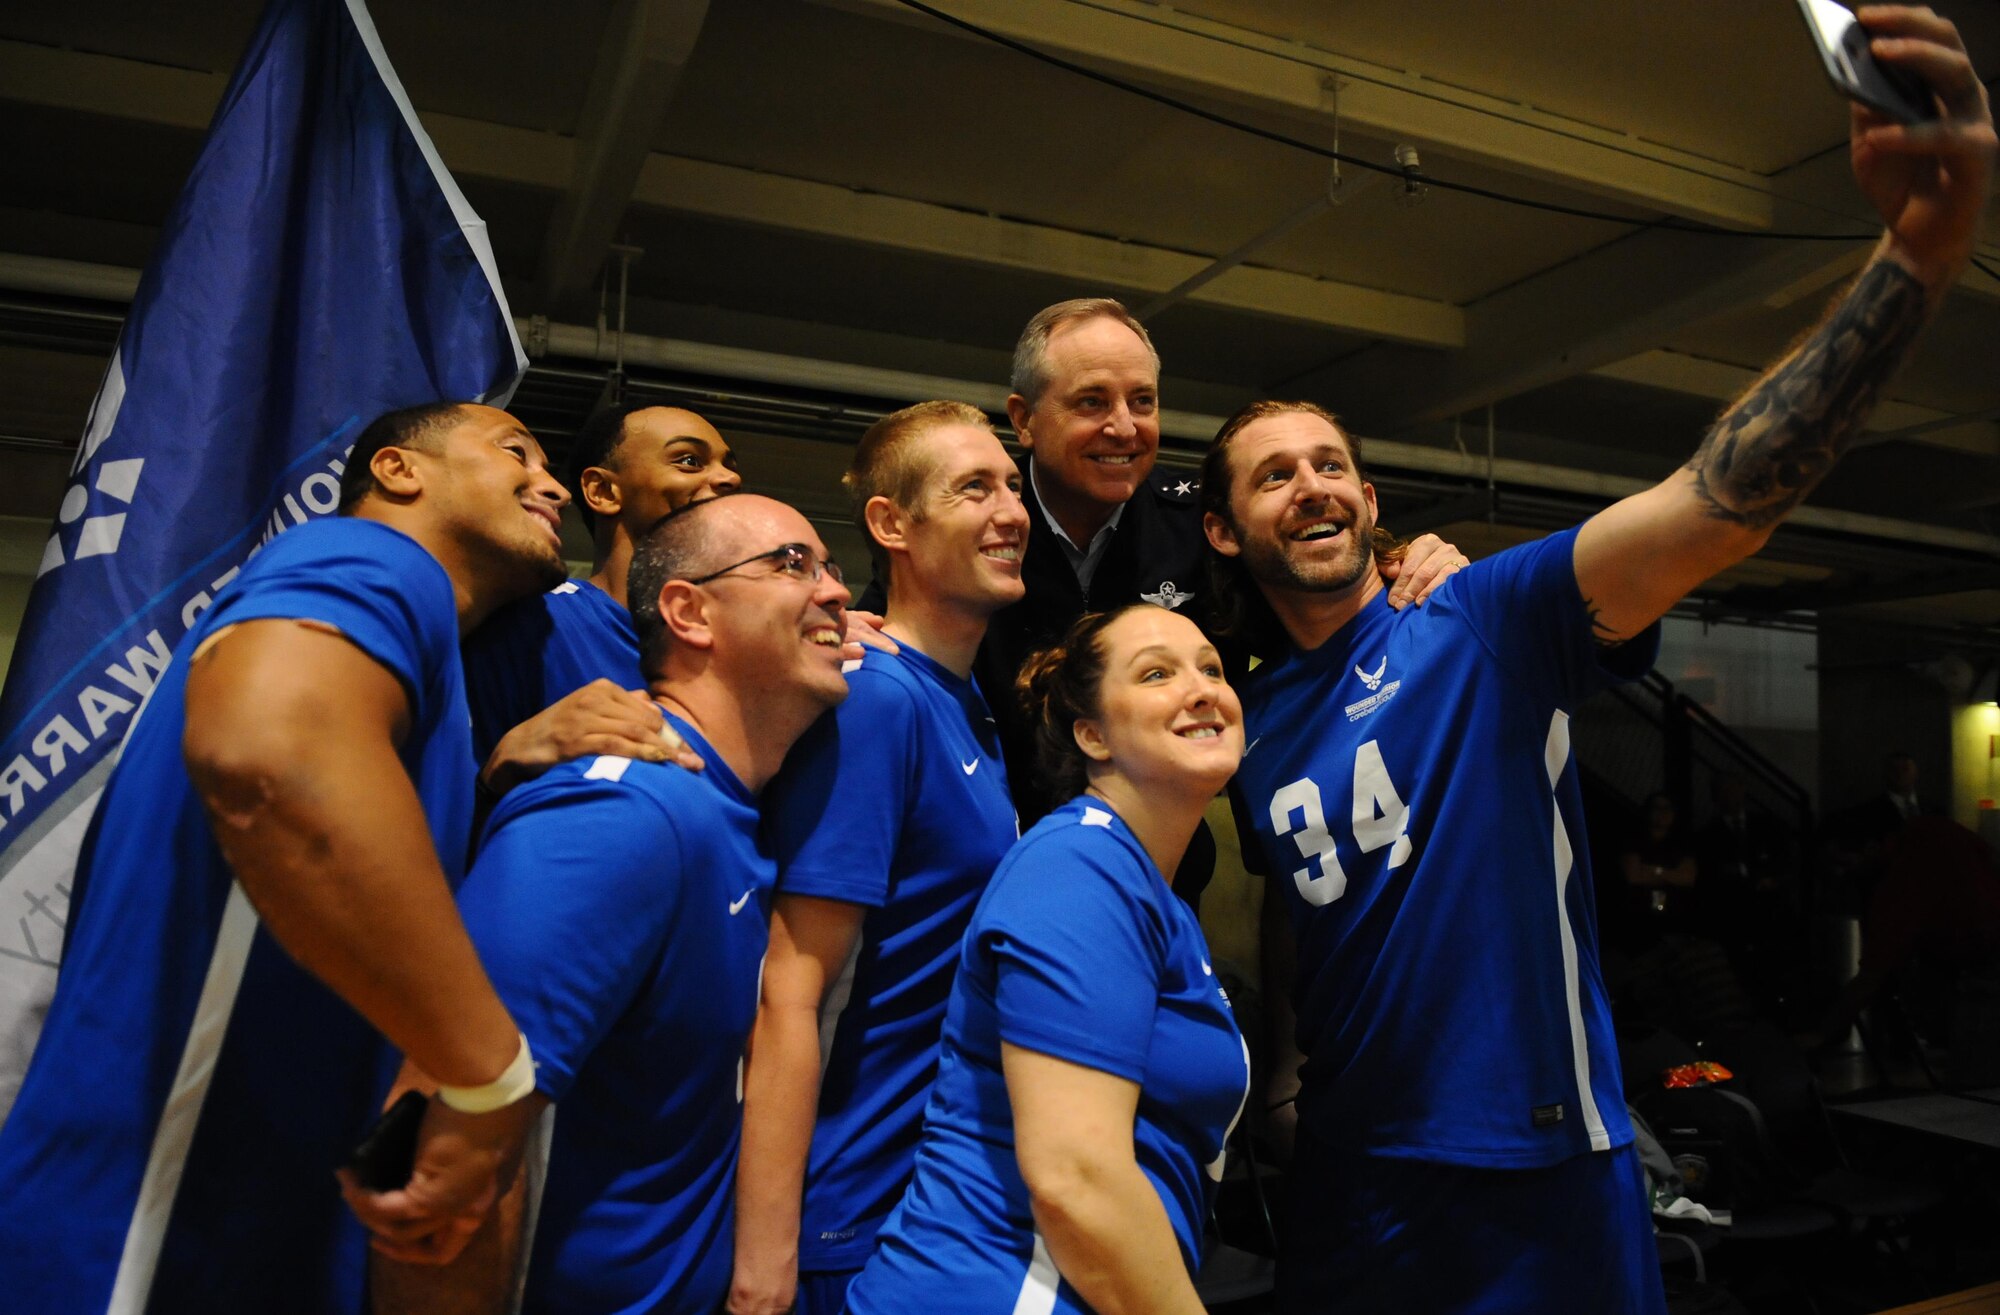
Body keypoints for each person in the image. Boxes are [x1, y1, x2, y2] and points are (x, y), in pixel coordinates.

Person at [1202, 12, 1992, 1309]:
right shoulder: (1247, 717)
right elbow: (1304, 914)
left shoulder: (1476, 622)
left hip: (1537, 1170)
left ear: (1369, 493)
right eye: (1274, 473)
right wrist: (1283, 1073)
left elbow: (1719, 499)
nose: (1313, 487)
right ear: (1229, 527)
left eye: (1331, 461)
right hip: (1351, 1175)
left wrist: (1915, 254)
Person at [0, 402, 572, 1313]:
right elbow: (274, 748)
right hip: (141, 1249)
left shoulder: (411, 660)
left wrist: (495, 769)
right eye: (516, 452)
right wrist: (486, 1074)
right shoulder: (373, 555)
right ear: (398, 472)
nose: (554, 483)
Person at [371, 493, 853, 1315]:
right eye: (792, 564)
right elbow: (437, 1142)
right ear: (689, 610)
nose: (838, 591)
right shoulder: (625, 816)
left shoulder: (719, 812)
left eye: (832, 567)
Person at [865, 298, 1466, 904]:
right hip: (995, 880)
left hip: (1166, 885)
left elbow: (1325, 580)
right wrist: (847, 640)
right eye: (1092, 401)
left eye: (1142, 401)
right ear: (1023, 419)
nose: (1124, 427)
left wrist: (1410, 559)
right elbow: (892, 635)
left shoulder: (1206, 529)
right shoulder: (974, 530)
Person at [844, 603, 1251, 1315]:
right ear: (1092, 733)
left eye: (1212, 668)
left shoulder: (1149, 888)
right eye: (1157, 673)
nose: (1202, 688)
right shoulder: (1080, 866)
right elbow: (1076, 1179)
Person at [730, 402, 1029, 1315]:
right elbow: (793, 986)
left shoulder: (962, 700)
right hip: (847, 1219)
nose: (1010, 510)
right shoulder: (878, 702)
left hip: (927, 1202)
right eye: (973, 487)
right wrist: (766, 1260)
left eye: (1012, 485)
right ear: (892, 524)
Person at [461, 402, 742, 796]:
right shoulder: (527, 630)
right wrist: (502, 771)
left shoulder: (742, 649)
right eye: (690, 461)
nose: (730, 477)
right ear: (604, 491)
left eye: (728, 464)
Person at [1622, 791, 1699, 933]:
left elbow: (1688, 877)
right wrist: (1670, 875)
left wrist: (1656, 871)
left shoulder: (1682, 843)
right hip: (1639, 911)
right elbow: (1633, 876)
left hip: (1674, 913)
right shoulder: (1635, 841)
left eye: (1667, 809)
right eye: (1657, 808)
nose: (1662, 814)